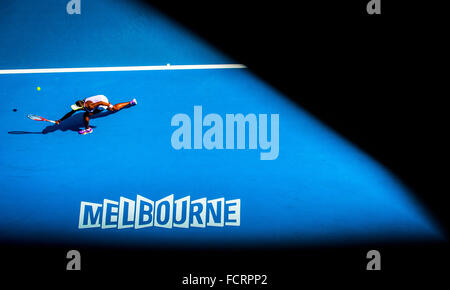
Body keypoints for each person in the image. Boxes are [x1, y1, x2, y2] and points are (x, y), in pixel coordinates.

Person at [56, 95, 137, 135]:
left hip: (101, 101)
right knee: (86, 115)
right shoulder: (82, 104)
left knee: (113, 109)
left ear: (81, 106)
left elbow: (101, 103)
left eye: (76, 108)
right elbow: (70, 113)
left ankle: (131, 102)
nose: (75, 109)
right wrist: (60, 120)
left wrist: (108, 105)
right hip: (99, 97)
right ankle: (88, 128)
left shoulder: (90, 106)